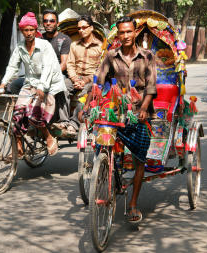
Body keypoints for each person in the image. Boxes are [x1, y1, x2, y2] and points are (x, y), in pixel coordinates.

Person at [79, 16, 157, 223]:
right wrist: (87, 106)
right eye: (121, 33)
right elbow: (98, 82)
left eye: (129, 32)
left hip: (140, 111)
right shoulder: (111, 56)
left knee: (140, 158)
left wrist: (143, 108)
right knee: (102, 143)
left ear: (135, 32)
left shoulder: (147, 56)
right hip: (115, 110)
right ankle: (106, 172)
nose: (125, 36)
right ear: (118, 35)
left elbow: (151, 87)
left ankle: (132, 204)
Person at [0, 12, 66, 156]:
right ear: (21, 31)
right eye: (25, 30)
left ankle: (48, 136)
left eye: (31, 30)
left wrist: (41, 87)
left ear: (35, 30)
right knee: (17, 114)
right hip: (31, 83)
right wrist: (3, 84)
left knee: (34, 114)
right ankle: (19, 146)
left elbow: (48, 68)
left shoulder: (44, 45)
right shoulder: (20, 47)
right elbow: (13, 67)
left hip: (50, 83)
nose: (28, 33)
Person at [66, 15, 103, 134]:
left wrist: (86, 80)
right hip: (74, 78)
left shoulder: (100, 46)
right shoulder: (74, 45)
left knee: (86, 93)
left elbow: (100, 69)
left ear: (91, 28)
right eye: (79, 28)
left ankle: (74, 123)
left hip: (92, 79)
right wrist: (75, 79)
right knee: (60, 88)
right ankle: (63, 121)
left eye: (84, 27)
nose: (81, 30)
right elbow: (70, 64)